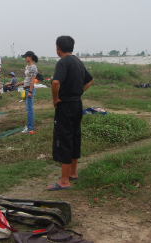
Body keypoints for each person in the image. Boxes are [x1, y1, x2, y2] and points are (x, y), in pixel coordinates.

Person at [47, 36, 94, 191]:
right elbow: (90, 80)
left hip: (65, 105)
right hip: (76, 104)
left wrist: (55, 99)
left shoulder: (63, 62)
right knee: (74, 136)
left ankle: (64, 181)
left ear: (57, 47)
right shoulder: (78, 62)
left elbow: (55, 82)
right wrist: (79, 92)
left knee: (65, 138)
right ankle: (73, 173)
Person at [15, 51, 38, 133]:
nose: (25, 58)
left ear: (30, 57)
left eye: (26, 57)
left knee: (29, 110)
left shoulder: (33, 67)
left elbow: (32, 81)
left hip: (29, 89)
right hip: (26, 88)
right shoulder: (27, 67)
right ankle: (29, 126)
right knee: (28, 109)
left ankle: (29, 128)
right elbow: (27, 79)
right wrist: (20, 83)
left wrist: (30, 92)